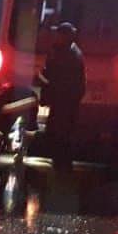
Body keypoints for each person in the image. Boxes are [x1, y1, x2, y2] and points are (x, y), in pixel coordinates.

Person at [37, 22, 86, 167]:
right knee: (58, 130)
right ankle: (59, 160)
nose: (57, 37)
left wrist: (44, 81)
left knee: (62, 130)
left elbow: (60, 78)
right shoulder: (62, 50)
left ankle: (62, 162)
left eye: (60, 35)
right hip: (62, 99)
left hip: (65, 100)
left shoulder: (71, 55)